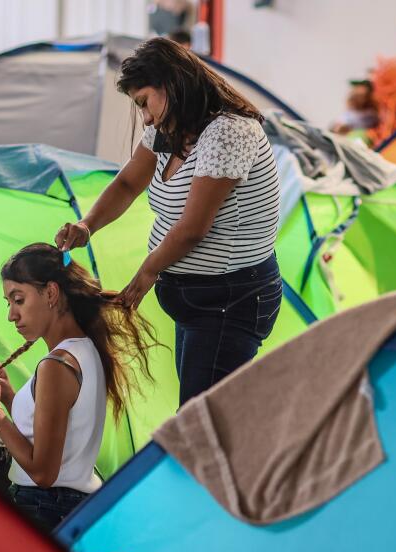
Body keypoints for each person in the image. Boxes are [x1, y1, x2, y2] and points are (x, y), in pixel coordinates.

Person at [55, 37, 282, 406]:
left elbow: (193, 227)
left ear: (173, 84)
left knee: (198, 421)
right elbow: (128, 183)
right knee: (199, 413)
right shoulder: (170, 131)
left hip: (230, 299)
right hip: (199, 303)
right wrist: (87, 225)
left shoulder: (228, 132)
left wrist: (147, 273)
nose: (144, 116)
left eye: (145, 102)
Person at [0, 244, 154, 532]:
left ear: (51, 293)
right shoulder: (85, 350)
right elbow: (53, 434)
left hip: (44, 506)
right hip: (70, 504)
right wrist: (8, 397)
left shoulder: (56, 365)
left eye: (18, 299)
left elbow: (43, 472)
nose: (11, 315)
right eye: (9, 302)